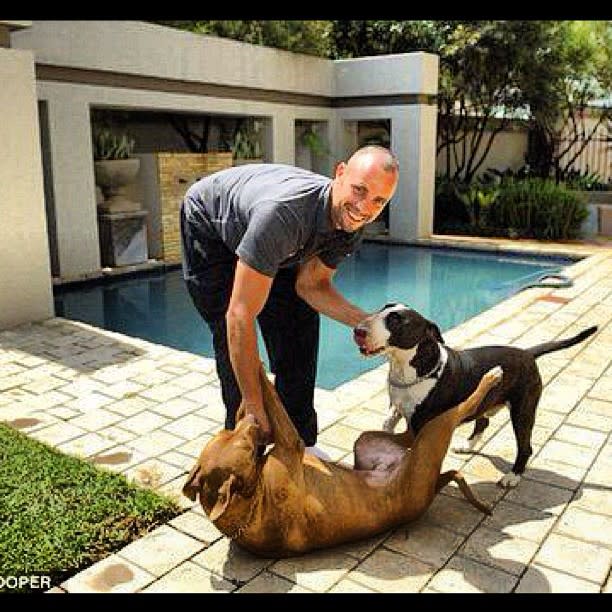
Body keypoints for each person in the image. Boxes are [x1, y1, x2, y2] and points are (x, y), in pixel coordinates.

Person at [180, 145, 399, 448]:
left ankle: (301, 444)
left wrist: (367, 322)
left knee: (296, 327)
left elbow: (311, 285)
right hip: (209, 226)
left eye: (379, 200)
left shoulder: (351, 223)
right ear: (339, 173)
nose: (365, 208)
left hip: (270, 235)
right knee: (229, 329)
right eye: (359, 190)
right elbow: (240, 315)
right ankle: (245, 439)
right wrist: (256, 408)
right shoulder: (284, 215)